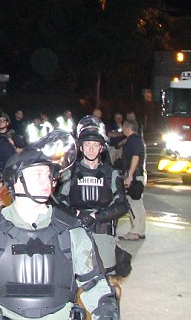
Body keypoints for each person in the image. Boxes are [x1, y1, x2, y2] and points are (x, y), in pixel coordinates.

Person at [0, 130, 120, 320]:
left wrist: (106, 312)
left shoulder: (73, 232)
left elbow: (96, 286)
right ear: (16, 181)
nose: (46, 181)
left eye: (48, 175)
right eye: (37, 174)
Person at [59, 116, 130, 280]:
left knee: (107, 284)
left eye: (95, 145)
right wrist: (77, 215)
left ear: (101, 148)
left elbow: (121, 205)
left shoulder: (111, 174)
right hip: (75, 232)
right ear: (81, 147)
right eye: (87, 145)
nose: (91, 149)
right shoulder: (70, 173)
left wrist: (97, 216)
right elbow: (58, 203)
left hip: (102, 232)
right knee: (73, 282)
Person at [118, 119, 146, 241]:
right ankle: (139, 230)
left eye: (123, 127)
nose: (122, 130)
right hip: (138, 174)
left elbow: (135, 157)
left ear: (128, 128)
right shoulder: (136, 139)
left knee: (132, 203)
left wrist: (129, 175)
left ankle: (135, 231)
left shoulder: (133, 140)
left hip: (135, 175)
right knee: (137, 203)